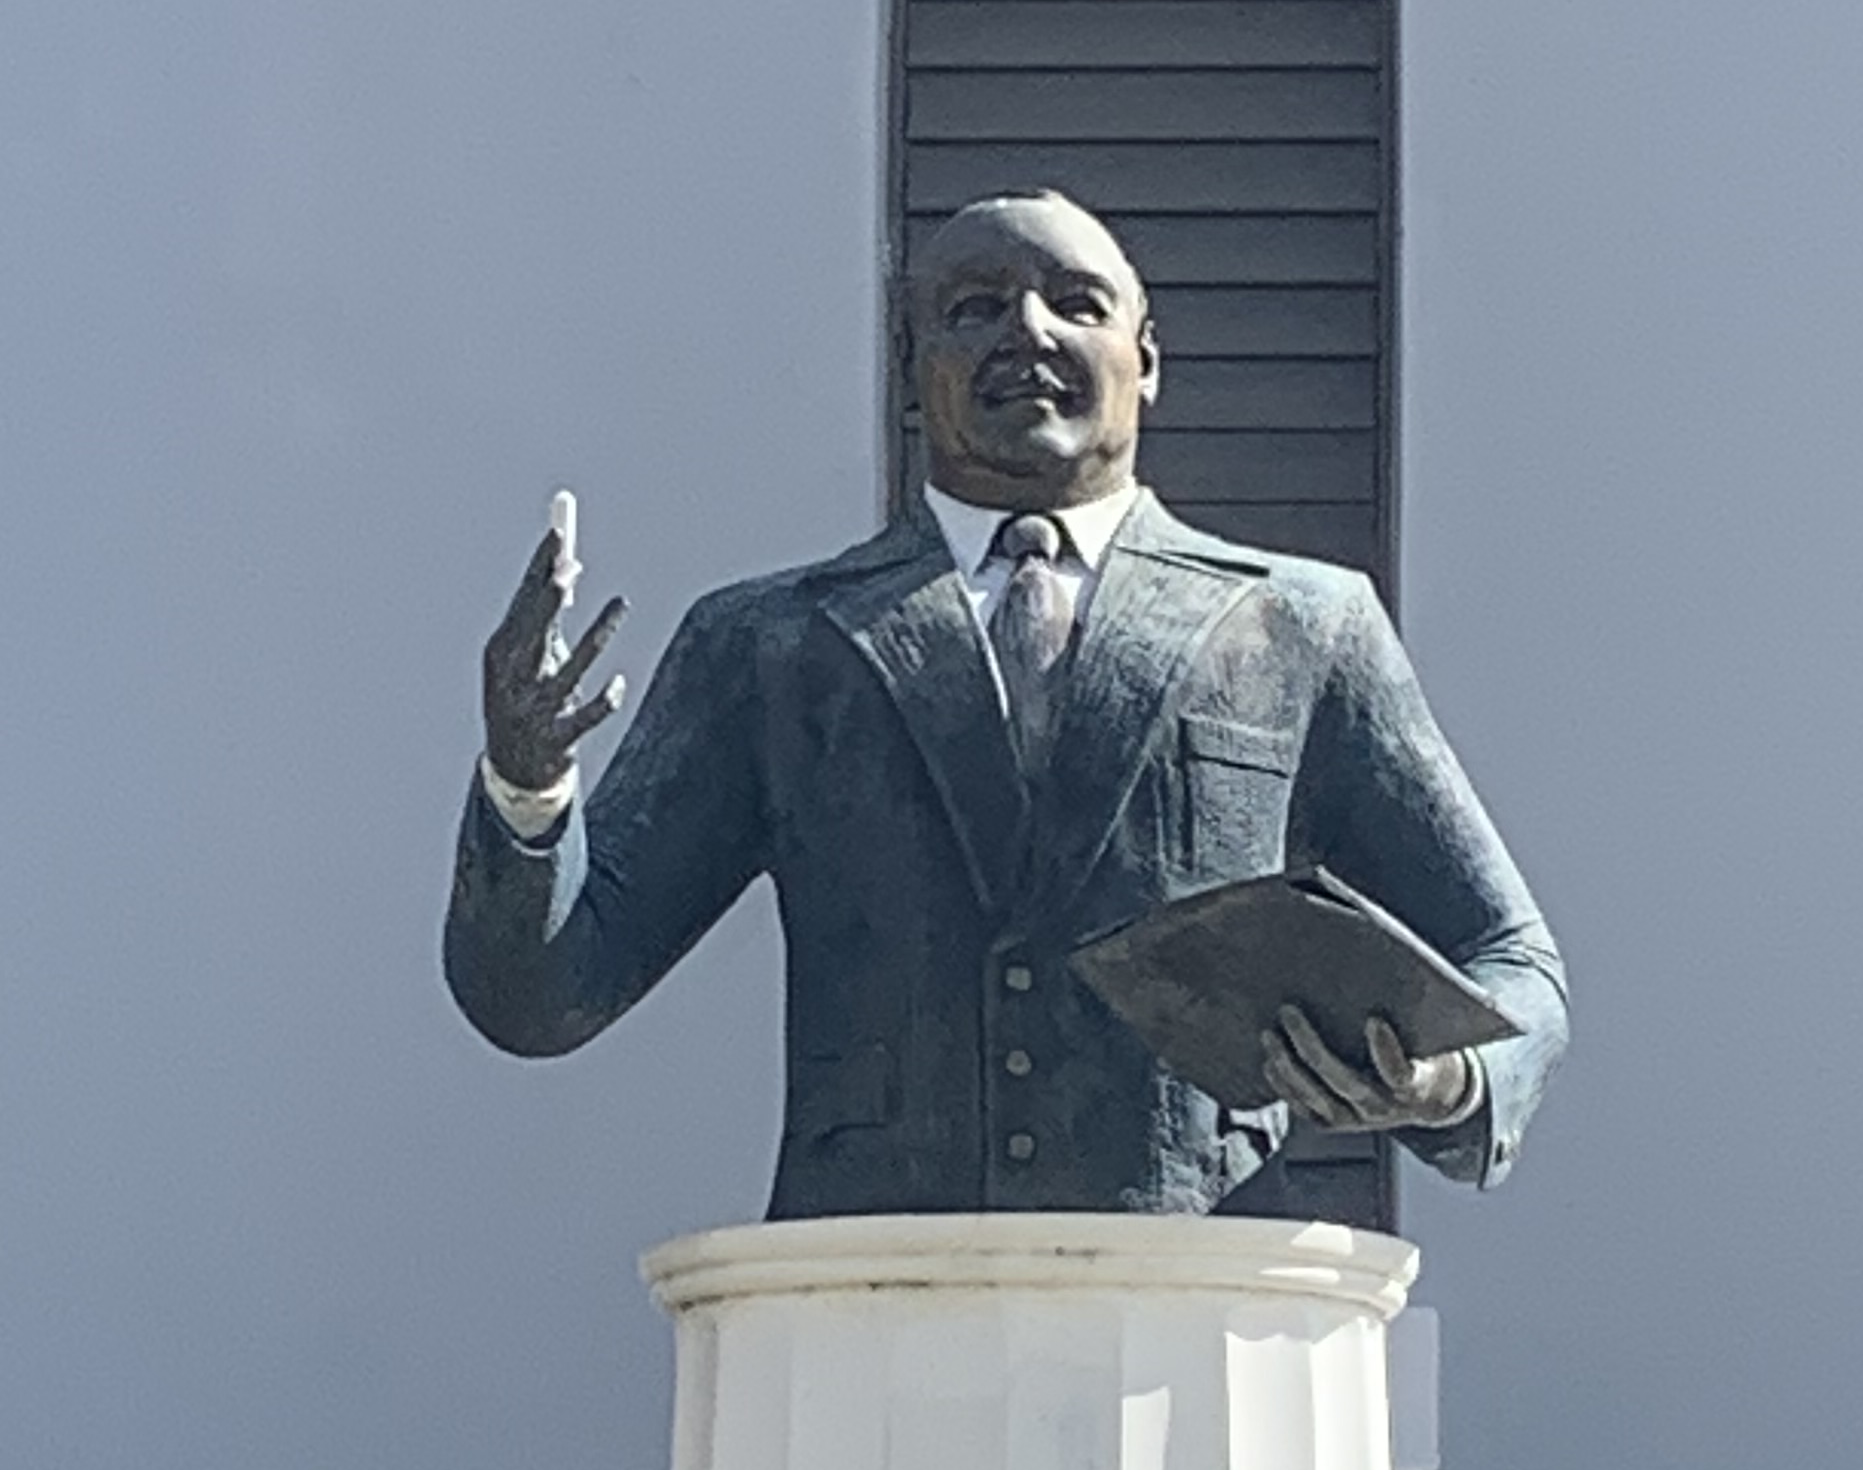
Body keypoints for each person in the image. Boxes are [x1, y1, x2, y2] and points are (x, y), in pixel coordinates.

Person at [443, 189, 1564, 1220]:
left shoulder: (1303, 626)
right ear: (913, 363)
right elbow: (549, 992)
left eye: (1075, 303)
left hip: (1192, 1302)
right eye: (975, 308)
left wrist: (1442, 1078)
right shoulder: (771, 644)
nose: (1026, 331)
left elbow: (1515, 961)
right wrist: (528, 790)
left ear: (1147, 359)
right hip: (871, 1292)